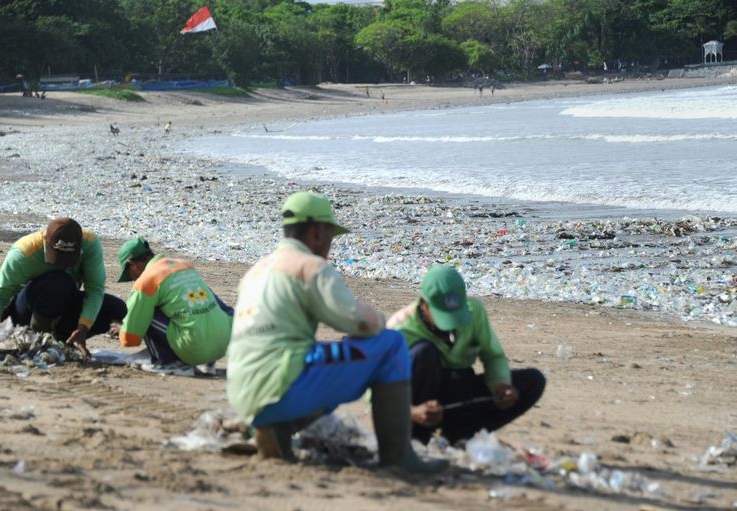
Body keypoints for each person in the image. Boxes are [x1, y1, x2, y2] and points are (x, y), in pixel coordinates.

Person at [227, 191, 446, 473]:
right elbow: (358, 322)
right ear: (318, 231)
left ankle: (276, 428)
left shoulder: (256, 270)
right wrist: (380, 322)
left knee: (320, 354)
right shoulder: (309, 266)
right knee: (391, 345)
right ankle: (399, 459)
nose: (330, 244)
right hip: (278, 387)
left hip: (243, 390)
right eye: (330, 234)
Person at [387, 265, 546, 445]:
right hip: (415, 403)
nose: (451, 325)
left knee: (533, 381)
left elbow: (493, 357)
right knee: (424, 352)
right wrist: (413, 412)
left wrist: (501, 384)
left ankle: (460, 435)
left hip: (454, 395)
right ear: (424, 305)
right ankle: (417, 439)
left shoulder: (474, 311)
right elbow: (378, 394)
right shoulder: (397, 330)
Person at [0, 217, 126, 357]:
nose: (61, 264)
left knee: (116, 309)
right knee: (60, 282)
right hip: (23, 314)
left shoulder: (90, 244)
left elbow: (95, 290)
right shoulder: (24, 252)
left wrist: (83, 328)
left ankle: (63, 338)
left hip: (62, 304)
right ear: (46, 243)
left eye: (68, 259)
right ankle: (38, 338)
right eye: (57, 256)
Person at [115, 237, 233, 375]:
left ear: (132, 265)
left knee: (145, 311)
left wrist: (123, 330)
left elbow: (130, 339)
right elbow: (224, 308)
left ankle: (169, 364)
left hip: (195, 348)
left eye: (130, 275)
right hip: (222, 345)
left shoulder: (146, 281)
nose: (133, 279)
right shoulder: (184, 266)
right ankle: (208, 363)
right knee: (203, 305)